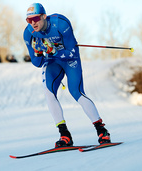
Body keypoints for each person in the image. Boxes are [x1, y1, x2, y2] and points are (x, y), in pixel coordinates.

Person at [23, 3, 111, 147]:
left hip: (69, 60)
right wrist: (39, 52)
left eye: (36, 18)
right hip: (52, 62)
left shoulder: (60, 23)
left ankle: (102, 130)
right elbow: (37, 63)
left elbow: (72, 52)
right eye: (29, 20)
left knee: (76, 92)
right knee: (49, 93)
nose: (33, 23)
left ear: (44, 16)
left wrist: (53, 50)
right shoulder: (28, 33)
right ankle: (64, 135)